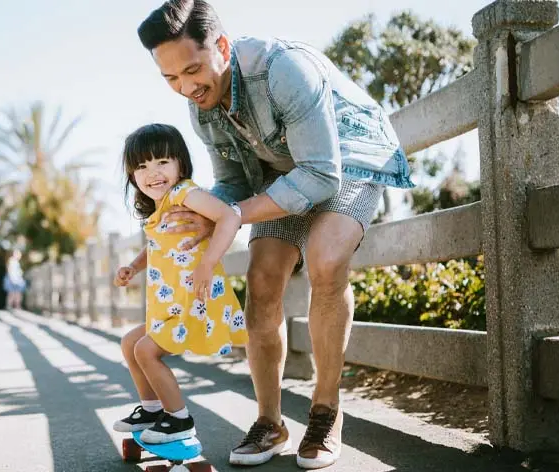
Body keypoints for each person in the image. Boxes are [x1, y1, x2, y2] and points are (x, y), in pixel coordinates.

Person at [137, 1, 415, 468]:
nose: (186, 88)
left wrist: (230, 214)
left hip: (348, 163)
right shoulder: (201, 107)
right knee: (263, 281)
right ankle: (270, 422)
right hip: (281, 175)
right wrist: (211, 210)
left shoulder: (283, 69)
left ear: (222, 47)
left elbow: (323, 176)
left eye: (193, 70)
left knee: (326, 260)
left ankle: (326, 411)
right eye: (171, 80)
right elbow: (233, 181)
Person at [112, 123, 248, 444]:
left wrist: (208, 262)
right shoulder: (162, 207)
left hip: (194, 301)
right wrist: (133, 266)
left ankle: (179, 419)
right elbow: (158, 244)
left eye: (162, 161)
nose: (152, 172)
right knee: (131, 343)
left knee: (146, 351)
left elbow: (229, 216)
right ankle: (151, 408)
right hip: (172, 305)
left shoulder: (184, 193)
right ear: (132, 176)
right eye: (141, 166)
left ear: (180, 163)